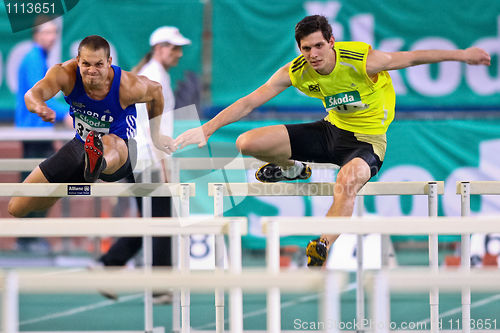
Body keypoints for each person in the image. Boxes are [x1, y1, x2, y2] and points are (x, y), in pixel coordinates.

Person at [174, 15, 491, 267]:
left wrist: (463, 55)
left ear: (331, 43)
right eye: (305, 49)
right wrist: (208, 128)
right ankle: (293, 169)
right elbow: (249, 102)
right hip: (329, 133)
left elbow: (411, 58)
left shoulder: (362, 61)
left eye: (318, 46)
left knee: (348, 180)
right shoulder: (297, 71)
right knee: (246, 143)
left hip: (366, 143)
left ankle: (322, 244)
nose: (312, 55)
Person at [8, 35, 175, 218]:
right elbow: (32, 94)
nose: (91, 71)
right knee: (17, 207)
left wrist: (156, 136)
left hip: (120, 150)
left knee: (109, 142)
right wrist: (39, 106)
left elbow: (156, 92)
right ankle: (73, 179)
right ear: (78, 60)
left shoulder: (127, 86)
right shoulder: (65, 74)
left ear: (109, 62)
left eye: (99, 65)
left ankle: (98, 163)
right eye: (86, 64)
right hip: (80, 145)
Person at [96, 27, 190, 303]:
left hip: (142, 158)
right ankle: (156, 284)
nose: (179, 53)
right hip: (145, 159)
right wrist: (163, 164)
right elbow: (151, 128)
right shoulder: (152, 75)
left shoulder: (154, 73)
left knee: (154, 220)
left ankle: (112, 265)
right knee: (161, 221)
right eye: (174, 48)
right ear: (160, 48)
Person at [14, 20, 71, 251]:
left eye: (54, 32)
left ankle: (29, 236)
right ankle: (26, 238)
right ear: (37, 35)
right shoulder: (34, 59)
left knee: (42, 183)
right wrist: (65, 115)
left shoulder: (40, 59)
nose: (52, 36)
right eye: (47, 32)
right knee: (40, 183)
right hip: (33, 134)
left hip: (39, 133)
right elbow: (40, 98)